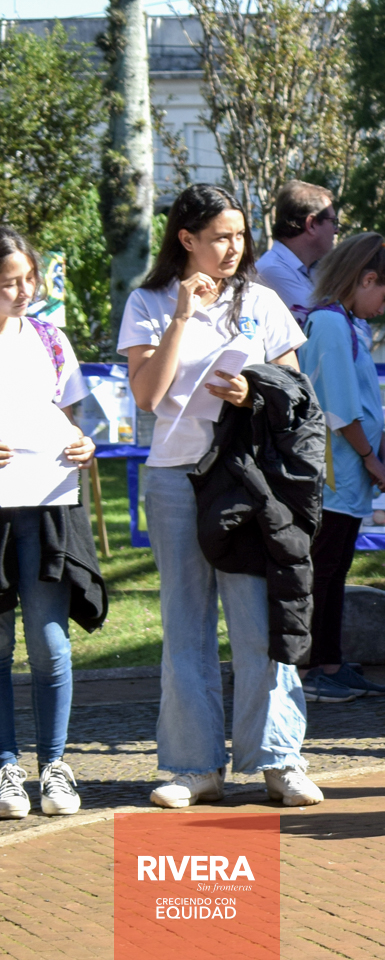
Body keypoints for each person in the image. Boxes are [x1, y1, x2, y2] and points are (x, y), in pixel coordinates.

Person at [119, 183, 322, 808]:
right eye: (219, 237)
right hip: (176, 477)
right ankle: (193, 767)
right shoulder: (149, 301)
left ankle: (279, 761)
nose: (233, 248)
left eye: (239, 236)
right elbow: (147, 397)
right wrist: (182, 316)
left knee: (259, 620)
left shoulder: (261, 300)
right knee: (186, 624)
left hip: (247, 476)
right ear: (187, 239)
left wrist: (253, 391)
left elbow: (295, 391)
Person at [0, 227, 100, 819]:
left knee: (48, 641)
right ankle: (4, 767)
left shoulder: (49, 338)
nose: (23, 292)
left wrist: (84, 444)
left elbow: (70, 418)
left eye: (28, 279)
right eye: (8, 283)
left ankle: (55, 766)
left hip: (46, 507)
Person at [296, 233, 385, 703]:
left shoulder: (349, 323)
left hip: (350, 472)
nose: (383, 309)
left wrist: (383, 453)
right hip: (332, 474)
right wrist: (370, 457)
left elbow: (364, 401)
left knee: (335, 568)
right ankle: (313, 667)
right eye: (384, 297)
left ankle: (331, 661)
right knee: (323, 570)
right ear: (366, 279)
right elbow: (338, 407)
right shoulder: (328, 323)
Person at [255, 180, 339, 322]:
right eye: (333, 222)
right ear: (311, 224)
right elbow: (326, 324)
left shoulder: (315, 269)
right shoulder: (270, 271)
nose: (336, 230)